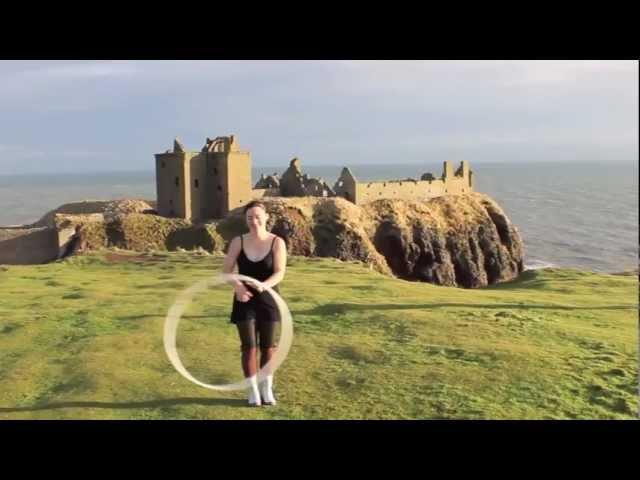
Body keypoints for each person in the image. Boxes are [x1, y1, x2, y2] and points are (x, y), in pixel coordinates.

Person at [222, 200, 287, 406]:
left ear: (266, 217)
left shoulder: (277, 242)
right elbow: (226, 272)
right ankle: (253, 391)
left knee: (268, 346)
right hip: (244, 299)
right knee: (249, 347)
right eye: (250, 217)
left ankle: (266, 388)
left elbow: (279, 272)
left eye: (258, 216)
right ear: (246, 219)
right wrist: (239, 288)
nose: (254, 221)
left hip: (268, 298)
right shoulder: (238, 241)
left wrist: (264, 286)